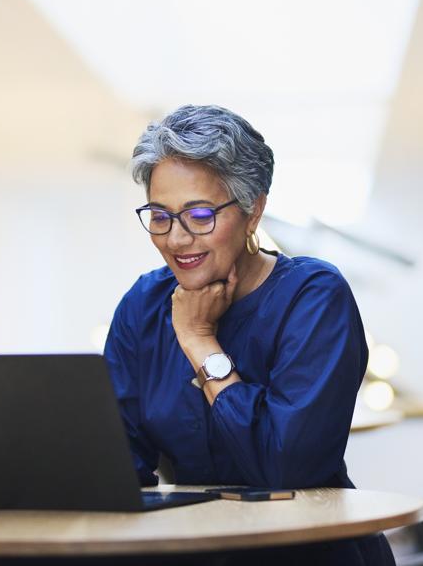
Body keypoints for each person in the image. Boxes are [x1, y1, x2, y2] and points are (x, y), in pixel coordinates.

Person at [103, 104, 395, 565]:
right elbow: (115, 462)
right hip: (196, 551)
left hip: (308, 555)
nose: (176, 239)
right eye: (160, 216)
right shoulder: (143, 305)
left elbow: (287, 468)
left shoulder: (313, 297)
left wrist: (200, 341)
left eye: (199, 214)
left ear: (253, 209)